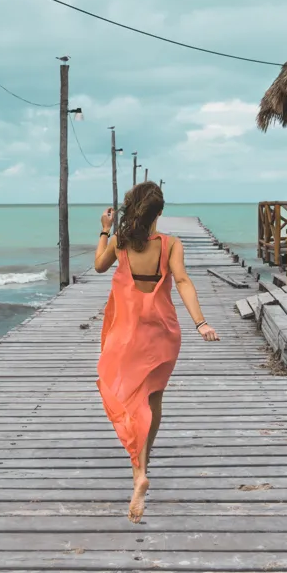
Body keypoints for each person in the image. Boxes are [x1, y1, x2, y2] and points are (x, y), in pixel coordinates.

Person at [92, 181, 219, 522]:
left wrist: (104, 231)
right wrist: (201, 323)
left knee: (123, 395)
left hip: (126, 332)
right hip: (163, 332)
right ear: (159, 213)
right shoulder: (171, 244)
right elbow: (182, 282)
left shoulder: (120, 241)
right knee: (153, 400)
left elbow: (99, 266)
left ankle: (138, 471)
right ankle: (143, 465)